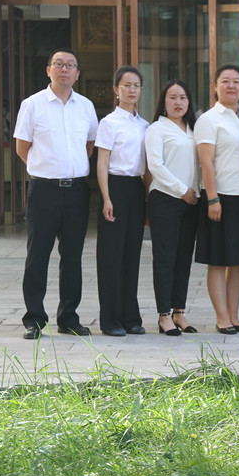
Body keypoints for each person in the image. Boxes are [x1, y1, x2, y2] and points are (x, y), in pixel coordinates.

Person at [13, 48, 98, 339]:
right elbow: (22, 147)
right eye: (58, 64)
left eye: (70, 65)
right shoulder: (32, 105)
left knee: (72, 257)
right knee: (37, 255)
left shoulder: (85, 106)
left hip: (76, 191)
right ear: (48, 70)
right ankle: (34, 320)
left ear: (77, 73)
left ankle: (68, 318)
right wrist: (46, 168)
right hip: (44, 191)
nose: (64, 69)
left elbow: (89, 145)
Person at [194, 64, 239, 335]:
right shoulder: (208, 120)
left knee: (238, 260)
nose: (231, 86)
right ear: (215, 86)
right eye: (225, 81)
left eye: (236, 81)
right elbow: (206, 162)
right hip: (220, 197)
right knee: (218, 259)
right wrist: (212, 199)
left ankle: (234, 315)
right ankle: (222, 317)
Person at [94, 66, 151, 337]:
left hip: (136, 189)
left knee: (131, 256)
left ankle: (131, 318)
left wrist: (148, 196)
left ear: (141, 90)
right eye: (126, 85)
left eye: (136, 85)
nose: (131, 90)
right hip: (114, 188)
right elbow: (102, 163)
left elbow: (147, 167)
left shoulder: (145, 125)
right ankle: (110, 320)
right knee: (111, 257)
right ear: (116, 90)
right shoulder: (108, 123)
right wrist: (106, 198)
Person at [145, 80, 200, 336]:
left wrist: (195, 192)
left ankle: (179, 312)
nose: (178, 102)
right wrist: (182, 190)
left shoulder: (194, 129)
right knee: (165, 259)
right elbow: (155, 165)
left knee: (183, 259)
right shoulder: (156, 129)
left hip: (192, 202)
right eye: (172, 97)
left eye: (183, 97)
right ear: (163, 102)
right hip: (166, 200)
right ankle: (164, 315)